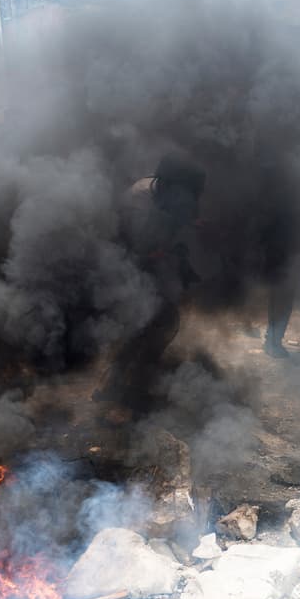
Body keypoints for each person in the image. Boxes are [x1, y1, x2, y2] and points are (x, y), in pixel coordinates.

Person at [95, 151, 206, 413]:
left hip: (152, 268)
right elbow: (136, 247)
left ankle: (125, 386)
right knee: (151, 326)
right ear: (170, 184)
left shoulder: (167, 192)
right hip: (128, 271)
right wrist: (163, 254)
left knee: (160, 325)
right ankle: (122, 391)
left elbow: (180, 218)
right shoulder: (139, 201)